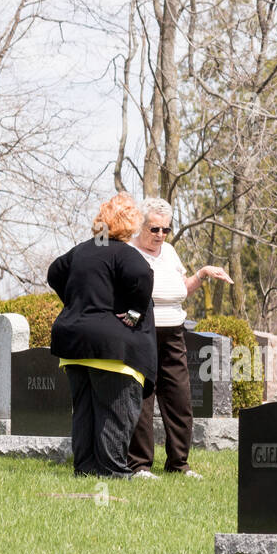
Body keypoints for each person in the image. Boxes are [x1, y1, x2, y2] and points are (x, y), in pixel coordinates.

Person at [47, 193, 158, 478]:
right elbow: (144, 278)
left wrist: (76, 304)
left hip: (72, 346)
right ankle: (113, 473)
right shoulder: (124, 253)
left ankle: (83, 469)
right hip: (110, 350)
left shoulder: (82, 250)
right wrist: (134, 314)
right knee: (115, 413)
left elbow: (54, 272)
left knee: (83, 412)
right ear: (131, 225)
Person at [126, 197, 233, 480]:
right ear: (141, 226)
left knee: (180, 398)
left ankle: (179, 464)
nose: (160, 235)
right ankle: (139, 465)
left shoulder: (170, 252)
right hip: (142, 332)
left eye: (165, 230)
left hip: (174, 331)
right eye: (154, 229)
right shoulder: (128, 252)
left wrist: (202, 274)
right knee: (143, 399)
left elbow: (181, 290)